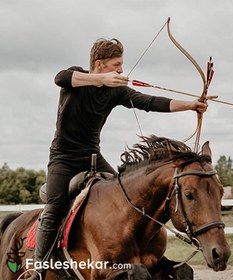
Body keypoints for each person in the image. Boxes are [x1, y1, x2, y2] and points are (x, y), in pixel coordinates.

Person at [28, 38, 207, 279]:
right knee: (54, 207)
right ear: (99, 64)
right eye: (117, 65)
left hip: (93, 157)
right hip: (63, 159)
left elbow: (149, 102)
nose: (121, 70)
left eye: (122, 65)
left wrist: (190, 105)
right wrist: (101, 79)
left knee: (123, 200)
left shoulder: (115, 92)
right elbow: (60, 77)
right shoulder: (76, 78)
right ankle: (39, 268)